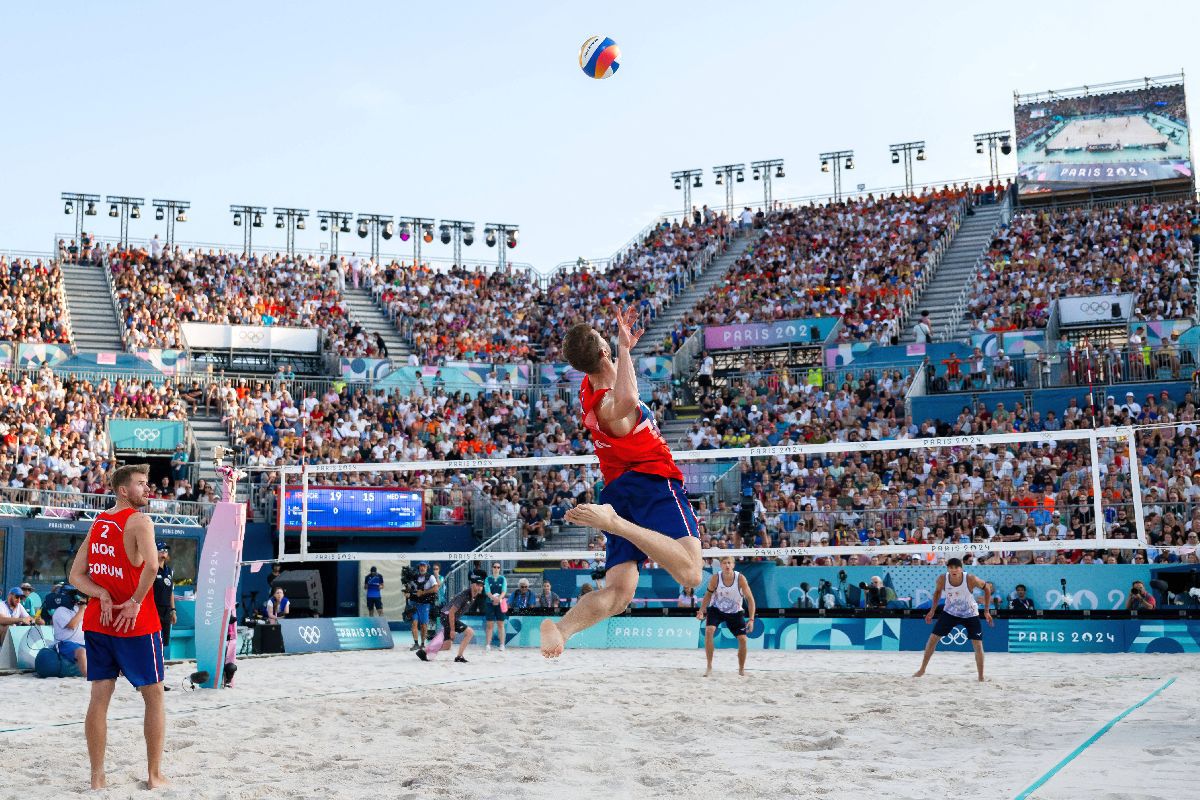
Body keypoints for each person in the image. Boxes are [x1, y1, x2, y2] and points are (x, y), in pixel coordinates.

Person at [541, 309, 703, 658]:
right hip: (653, 482)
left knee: (618, 594)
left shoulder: (588, 387)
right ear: (603, 351)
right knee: (691, 573)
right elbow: (627, 399)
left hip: (617, 488)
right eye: (604, 340)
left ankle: (561, 629)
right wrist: (624, 348)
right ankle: (616, 523)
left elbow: (617, 382)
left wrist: (616, 351)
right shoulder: (608, 402)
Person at [67, 463, 168, 790]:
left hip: (100, 620)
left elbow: (75, 576)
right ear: (123, 489)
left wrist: (102, 594)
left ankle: (97, 777)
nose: (147, 488)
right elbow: (152, 565)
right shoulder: (140, 520)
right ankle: (154, 776)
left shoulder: (99, 522)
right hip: (135, 622)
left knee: (99, 697)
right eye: (141, 483)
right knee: (154, 697)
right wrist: (135, 601)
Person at [913, 558, 993, 682]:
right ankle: (922, 669)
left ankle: (981, 677)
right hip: (950, 612)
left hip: (970, 613)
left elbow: (987, 588)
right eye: (951, 568)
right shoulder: (942, 579)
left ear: (961, 569)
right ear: (948, 569)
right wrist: (932, 611)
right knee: (933, 639)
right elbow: (937, 593)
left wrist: (987, 611)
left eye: (956, 567)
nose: (954, 570)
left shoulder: (970, 578)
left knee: (977, 644)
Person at [697, 556, 756, 677]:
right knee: (709, 630)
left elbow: (750, 599)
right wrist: (701, 610)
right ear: (721, 565)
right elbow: (708, 595)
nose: (727, 565)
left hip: (735, 612)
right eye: (724, 563)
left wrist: (751, 619)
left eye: (729, 563)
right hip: (717, 609)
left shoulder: (740, 578)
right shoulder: (715, 578)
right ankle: (709, 666)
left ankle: (741, 669)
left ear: (733, 565)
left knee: (743, 640)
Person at [417, 577, 486, 663]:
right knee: (470, 633)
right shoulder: (465, 595)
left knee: (447, 646)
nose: (480, 587)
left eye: (481, 586)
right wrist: (452, 630)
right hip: (447, 616)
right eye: (477, 585)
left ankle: (425, 651)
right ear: (472, 585)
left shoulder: (474, 596)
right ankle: (458, 657)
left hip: (447, 616)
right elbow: (452, 612)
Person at [52, 586, 88, 678]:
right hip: (64, 643)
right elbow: (72, 625)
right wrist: (82, 609)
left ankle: (119, 673)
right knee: (81, 652)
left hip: (82, 642)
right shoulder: (60, 610)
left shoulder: (78, 609)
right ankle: (88, 676)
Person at [408, 562, 438, 650]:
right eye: (421, 566)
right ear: (418, 567)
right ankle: (416, 643)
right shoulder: (414, 577)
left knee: (424, 625)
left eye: (424, 566)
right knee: (414, 623)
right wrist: (407, 592)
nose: (422, 568)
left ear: (427, 567)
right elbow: (408, 588)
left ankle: (422, 643)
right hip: (413, 604)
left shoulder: (431, 577)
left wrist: (423, 592)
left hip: (425, 605)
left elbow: (436, 589)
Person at [152, 543, 175, 653]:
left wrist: (173, 610)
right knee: (153, 640)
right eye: (161, 550)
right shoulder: (151, 568)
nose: (164, 552)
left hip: (166, 610)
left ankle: (160, 663)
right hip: (154, 609)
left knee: (164, 642)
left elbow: (171, 592)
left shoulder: (169, 570)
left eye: (166, 550)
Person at [483, 562, 508, 652]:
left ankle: (502, 644)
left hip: (500, 603)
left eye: (498, 567)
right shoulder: (487, 579)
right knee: (490, 625)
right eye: (495, 567)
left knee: (501, 624)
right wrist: (494, 599)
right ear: (492, 568)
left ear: (500, 569)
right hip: (490, 603)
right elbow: (487, 591)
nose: (496, 568)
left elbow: (504, 591)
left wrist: (498, 599)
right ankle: (488, 645)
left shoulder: (503, 578)